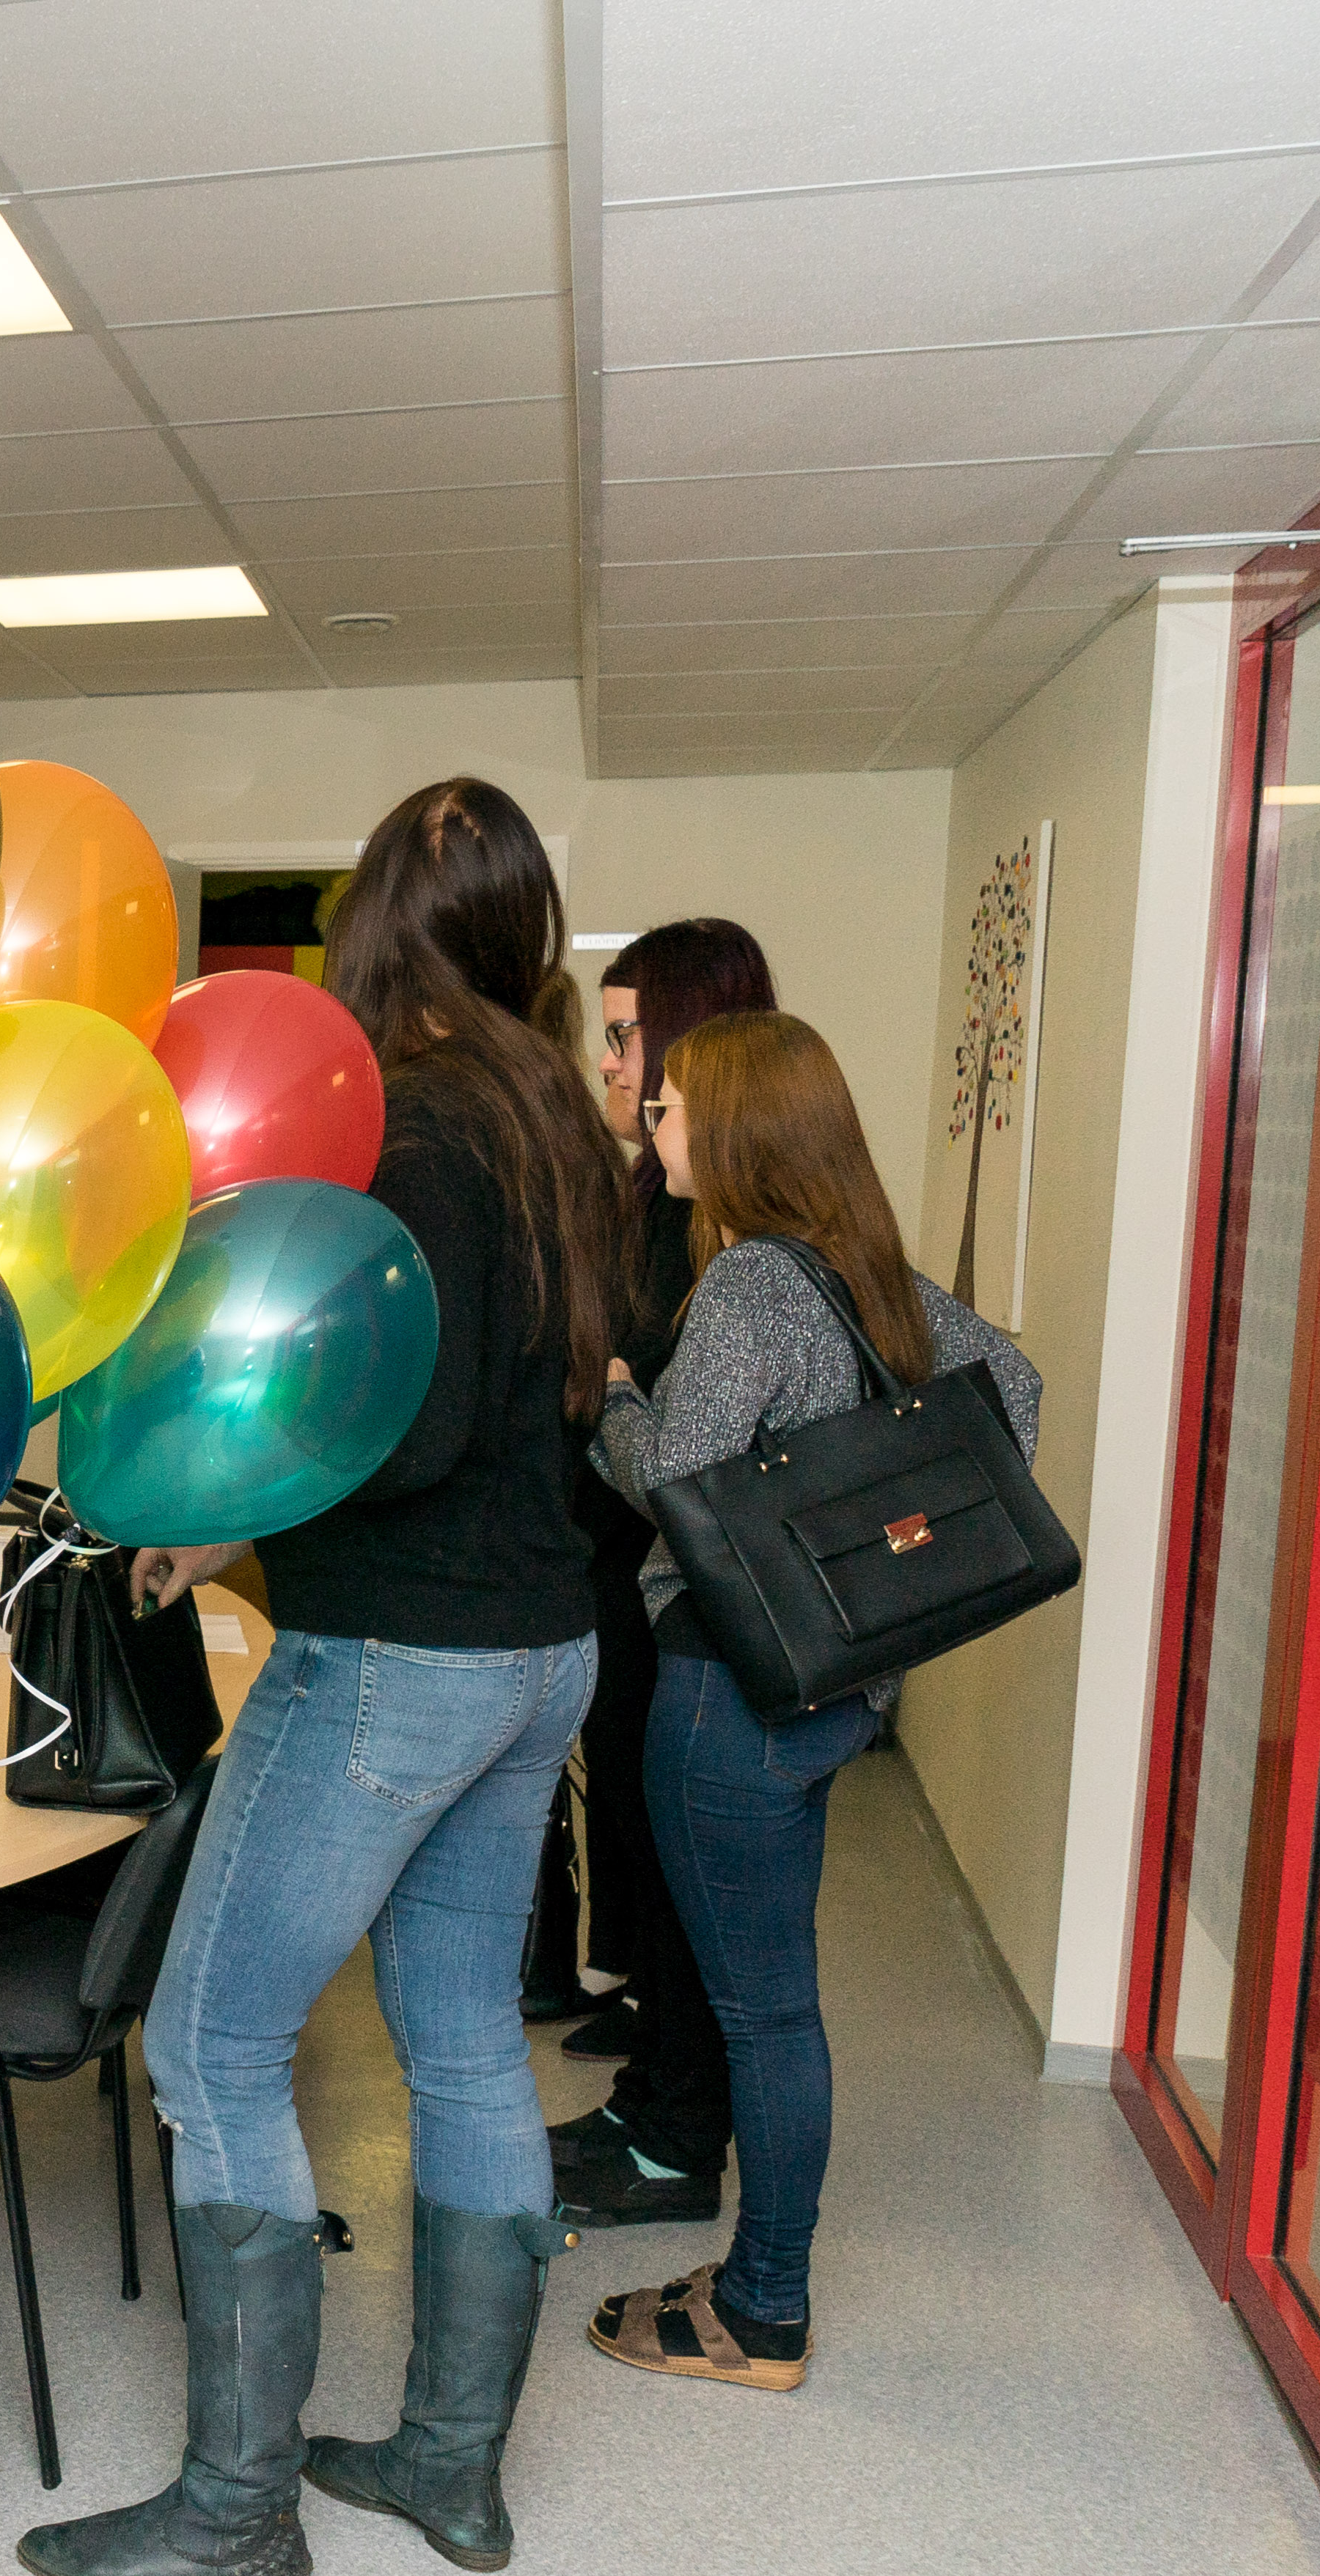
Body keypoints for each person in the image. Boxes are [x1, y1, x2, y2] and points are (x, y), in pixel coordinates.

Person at [21, 776, 622, 2576]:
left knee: (211, 2042)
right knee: (465, 2037)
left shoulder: (416, 1128)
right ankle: (451, 2461)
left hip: (399, 1661)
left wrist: (235, 1491)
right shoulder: (558, 1119)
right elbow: (500, 1418)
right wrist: (231, 1530)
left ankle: (236, 2509)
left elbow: (403, 1431)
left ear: (370, 928)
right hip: (539, 1652)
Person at [582, 1012, 1041, 2391]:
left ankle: (763, 2310)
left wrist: (614, 1403)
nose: (652, 1122)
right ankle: (760, 2288)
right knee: (776, 2003)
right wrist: (881, 1524)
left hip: (730, 1695)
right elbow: (1013, 1388)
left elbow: (679, 1477)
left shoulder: (744, 1287)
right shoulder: (869, 1273)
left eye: (670, 1105)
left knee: (766, 2017)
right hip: (837, 1686)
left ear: (734, 1130)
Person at [544, 923, 780, 2239]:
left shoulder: (732, 1252)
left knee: (682, 1878)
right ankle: (651, 2097)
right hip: (622, 1591)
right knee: (643, 1857)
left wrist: (616, 1395)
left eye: (629, 1037)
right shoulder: (656, 1207)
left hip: (680, 1610)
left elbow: (679, 1458)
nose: (612, 1062)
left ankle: (680, 2139)